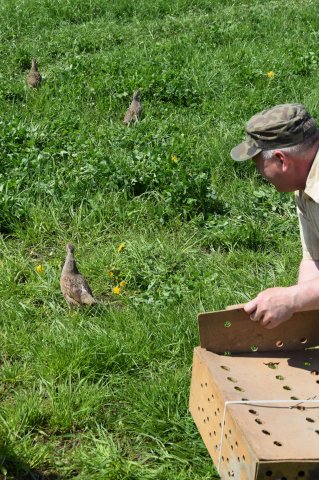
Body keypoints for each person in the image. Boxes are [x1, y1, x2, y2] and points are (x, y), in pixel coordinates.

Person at [231, 103, 319, 329]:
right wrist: (301, 313)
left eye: (258, 163)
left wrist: (292, 299)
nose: (259, 172)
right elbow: (314, 258)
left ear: (281, 160)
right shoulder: (306, 182)